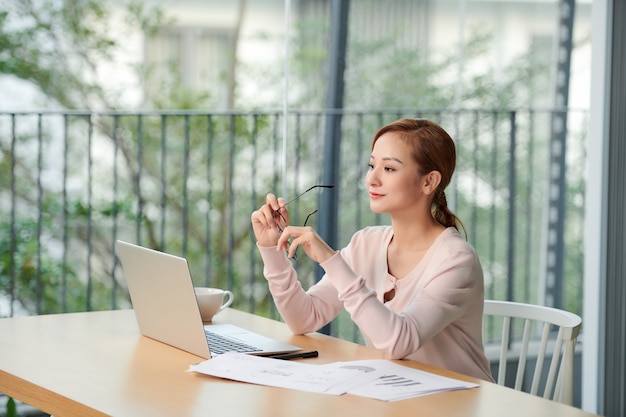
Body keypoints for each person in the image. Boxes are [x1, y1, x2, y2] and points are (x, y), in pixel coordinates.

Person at [250, 118, 494, 381]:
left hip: (456, 403)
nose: (372, 179)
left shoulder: (456, 259)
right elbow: (303, 318)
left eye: (389, 168)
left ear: (429, 182)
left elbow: (399, 342)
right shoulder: (366, 243)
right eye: (371, 165)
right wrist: (271, 248)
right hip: (397, 393)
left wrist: (331, 260)